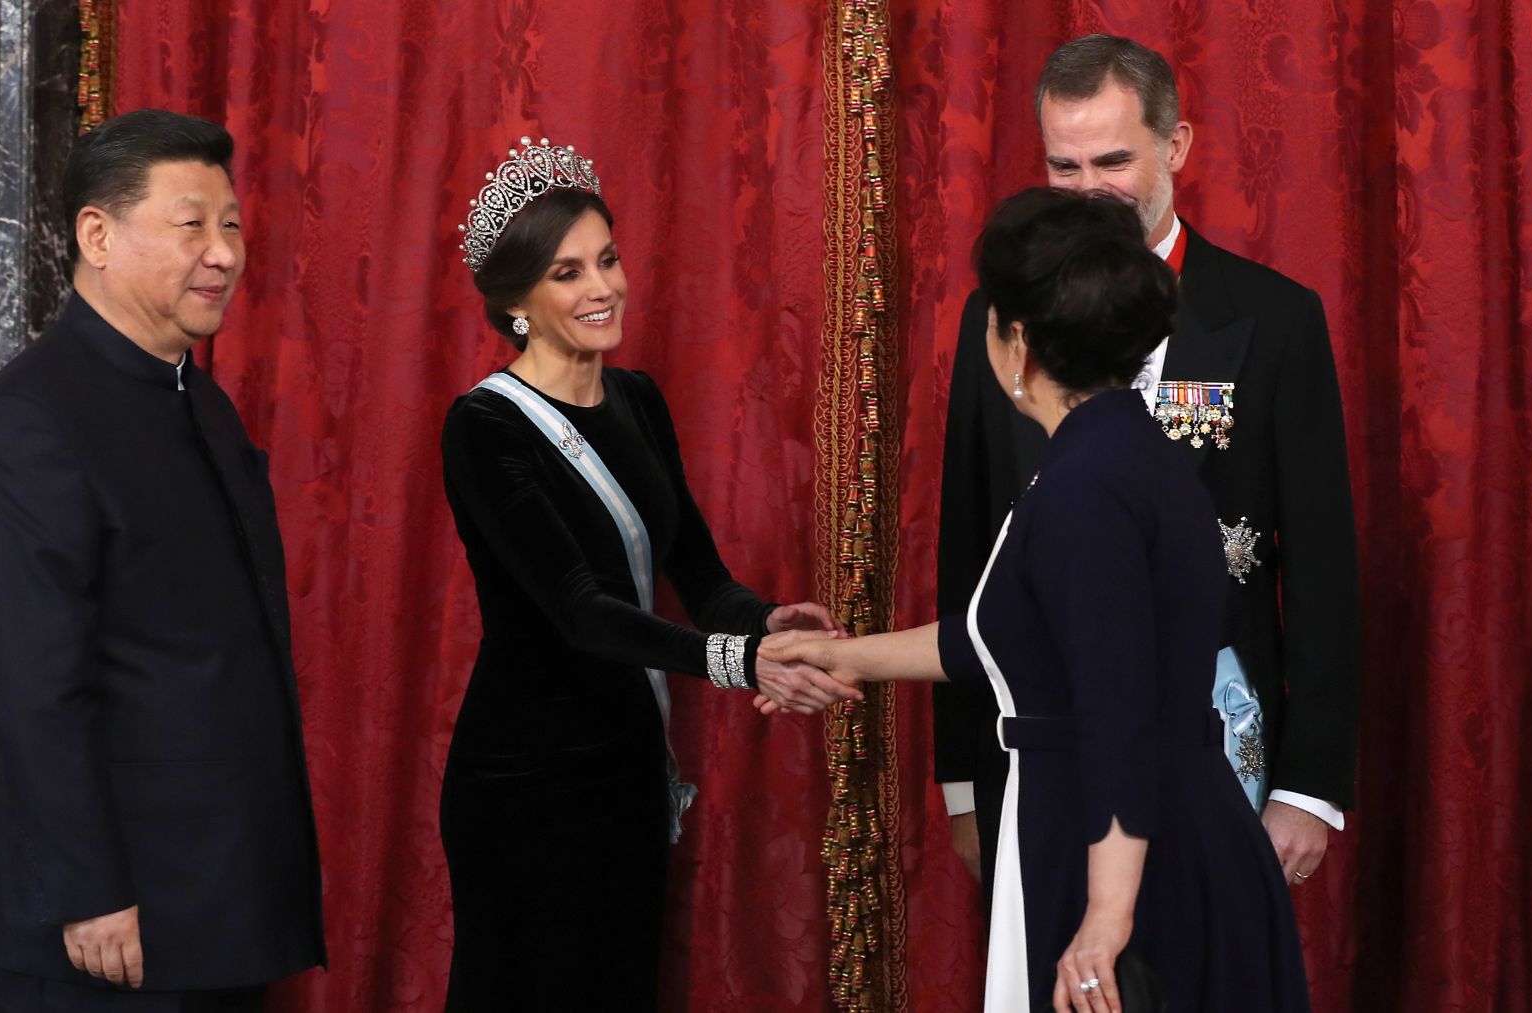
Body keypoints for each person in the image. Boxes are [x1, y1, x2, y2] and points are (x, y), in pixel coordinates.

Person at [764, 187, 1310, 1012]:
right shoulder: (1122, 448)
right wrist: (842, 657)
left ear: (1016, 342)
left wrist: (1106, 916)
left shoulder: (1083, 488)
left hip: (1123, 850)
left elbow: (1118, 709)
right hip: (1155, 823)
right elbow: (1008, 634)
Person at [932, 34, 1360, 903]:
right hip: (1037, 742)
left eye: (1113, 161)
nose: (1088, 191)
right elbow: (968, 546)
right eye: (1064, 165)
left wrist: (1307, 786)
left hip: (1215, 742)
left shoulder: (1275, 319)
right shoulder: (998, 316)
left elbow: (1323, 568)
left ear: (1176, 146)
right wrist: (963, 779)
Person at [439, 137, 855, 1010]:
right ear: (514, 301)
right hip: (527, 780)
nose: (602, 287)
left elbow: (701, 578)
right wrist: (741, 663)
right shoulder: (485, 426)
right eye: (567, 272)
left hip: (628, 770)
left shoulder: (638, 400)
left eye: (608, 258)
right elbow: (581, 610)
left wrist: (768, 623)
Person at [0, 109, 325, 1010]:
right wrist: (89, 888)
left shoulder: (202, 403)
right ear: (98, 236)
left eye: (230, 224)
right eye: (192, 224)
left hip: (218, 898)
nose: (223, 253)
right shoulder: (34, 419)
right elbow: (37, 685)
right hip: (105, 920)